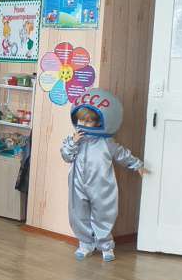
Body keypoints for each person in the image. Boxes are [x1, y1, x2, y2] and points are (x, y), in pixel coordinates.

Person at [61, 88, 146, 262]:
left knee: (104, 214)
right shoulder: (73, 140)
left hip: (102, 185)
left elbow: (121, 154)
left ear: (98, 122)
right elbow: (66, 156)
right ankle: (85, 244)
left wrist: (137, 165)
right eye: (81, 120)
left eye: (89, 121)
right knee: (78, 213)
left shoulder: (106, 142)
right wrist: (73, 143)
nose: (84, 124)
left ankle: (106, 246)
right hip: (77, 183)